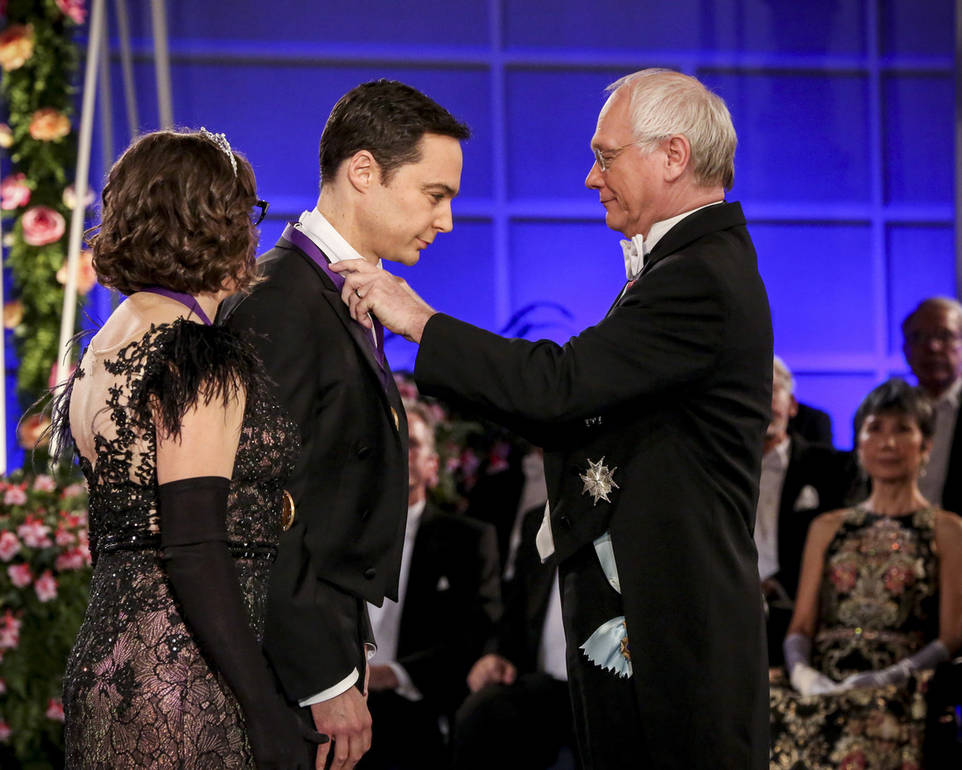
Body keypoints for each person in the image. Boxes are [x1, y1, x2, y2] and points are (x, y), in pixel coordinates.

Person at [334, 67, 771, 769]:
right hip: (651, 633)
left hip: (675, 637)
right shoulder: (690, 267)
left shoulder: (699, 277)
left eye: (606, 154)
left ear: (673, 156)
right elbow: (565, 411)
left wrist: (417, 318)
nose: (592, 176)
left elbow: (561, 387)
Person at [220, 79, 470, 770]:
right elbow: (254, 507)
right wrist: (323, 679)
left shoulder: (337, 293)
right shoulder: (281, 303)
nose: (447, 220)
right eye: (435, 194)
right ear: (364, 172)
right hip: (286, 675)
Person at [54, 129, 321, 767]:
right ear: (211, 223)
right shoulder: (195, 354)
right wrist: (266, 712)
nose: (253, 233)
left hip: (106, 666)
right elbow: (196, 546)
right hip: (185, 680)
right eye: (246, 213)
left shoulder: (105, 345)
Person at [770, 379, 962, 769]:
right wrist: (805, 675)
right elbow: (802, 625)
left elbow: (952, 636)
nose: (888, 443)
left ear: (925, 445)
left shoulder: (947, 528)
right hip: (826, 674)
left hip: (904, 683)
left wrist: (893, 675)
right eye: (876, 429)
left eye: (902, 430)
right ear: (859, 443)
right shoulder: (828, 526)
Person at [360, 402, 501, 770]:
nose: (401, 449)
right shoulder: (342, 539)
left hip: (417, 709)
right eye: (392, 439)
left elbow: (474, 634)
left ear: (432, 467)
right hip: (337, 699)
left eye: (414, 443)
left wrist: (395, 675)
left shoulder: (469, 540)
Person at [453, 502, 577, 770]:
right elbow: (516, 609)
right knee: (480, 714)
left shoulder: (631, 515)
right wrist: (496, 655)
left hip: (608, 687)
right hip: (545, 686)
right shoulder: (538, 519)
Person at [758, 356, 858, 665]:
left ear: (792, 405)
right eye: (751, 391)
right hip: (727, 614)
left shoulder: (832, 468)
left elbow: (844, 544)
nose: (762, 401)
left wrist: (777, 585)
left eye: (772, 390)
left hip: (802, 614)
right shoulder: (714, 472)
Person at [903, 296, 962, 512]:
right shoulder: (887, 411)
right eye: (918, 337)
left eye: (945, 335)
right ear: (906, 350)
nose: (932, 346)